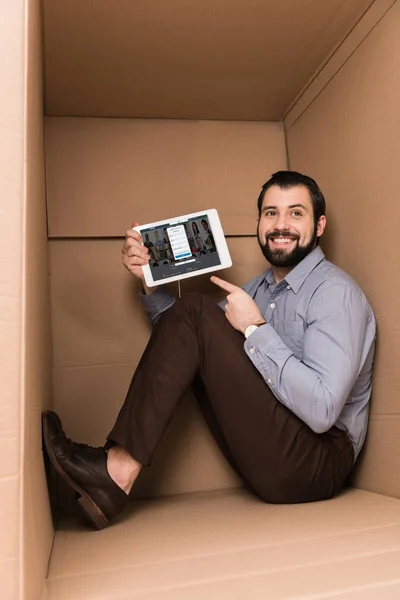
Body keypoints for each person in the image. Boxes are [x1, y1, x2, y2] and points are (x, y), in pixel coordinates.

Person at [43, 170, 376, 530]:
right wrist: (150, 282)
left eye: (296, 213)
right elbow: (186, 343)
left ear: (320, 225)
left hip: (316, 464)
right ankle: (113, 472)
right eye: (270, 213)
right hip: (268, 453)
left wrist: (254, 328)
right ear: (259, 223)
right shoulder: (258, 290)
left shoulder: (335, 294)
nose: (281, 225)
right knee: (194, 315)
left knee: (197, 310)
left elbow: (324, 410)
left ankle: (116, 472)